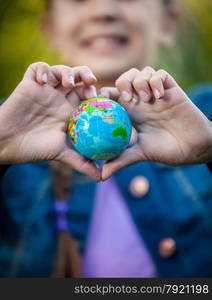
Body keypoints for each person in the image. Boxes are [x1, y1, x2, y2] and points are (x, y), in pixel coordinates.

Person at [0, 0, 212, 277]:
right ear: (50, 28)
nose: (104, 11)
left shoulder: (205, 117)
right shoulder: (8, 124)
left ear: (168, 23)